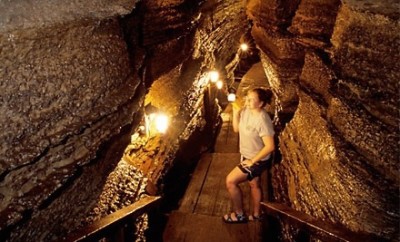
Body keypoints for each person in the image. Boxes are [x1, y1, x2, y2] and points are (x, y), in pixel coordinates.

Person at [223, 88, 275, 223]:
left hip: (257, 159)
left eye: (252, 99)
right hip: (247, 155)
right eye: (247, 98)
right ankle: (257, 214)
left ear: (261, 103)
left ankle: (239, 214)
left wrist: (252, 160)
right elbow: (236, 129)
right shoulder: (246, 111)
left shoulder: (263, 120)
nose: (247, 101)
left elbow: (270, 146)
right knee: (254, 183)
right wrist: (236, 112)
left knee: (230, 181)